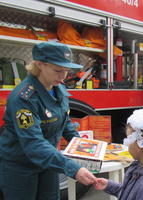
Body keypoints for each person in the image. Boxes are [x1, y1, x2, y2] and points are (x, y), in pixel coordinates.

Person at [0, 41, 97, 200]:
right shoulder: (24, 98)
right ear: (39, 64)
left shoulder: (58, 88)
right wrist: (73, 168)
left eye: (66, 70)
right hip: (20, 165)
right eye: (58, 70)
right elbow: (33, 143)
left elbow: (65, 123)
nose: (63, 76)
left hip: (48, 162)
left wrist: (88, 148)